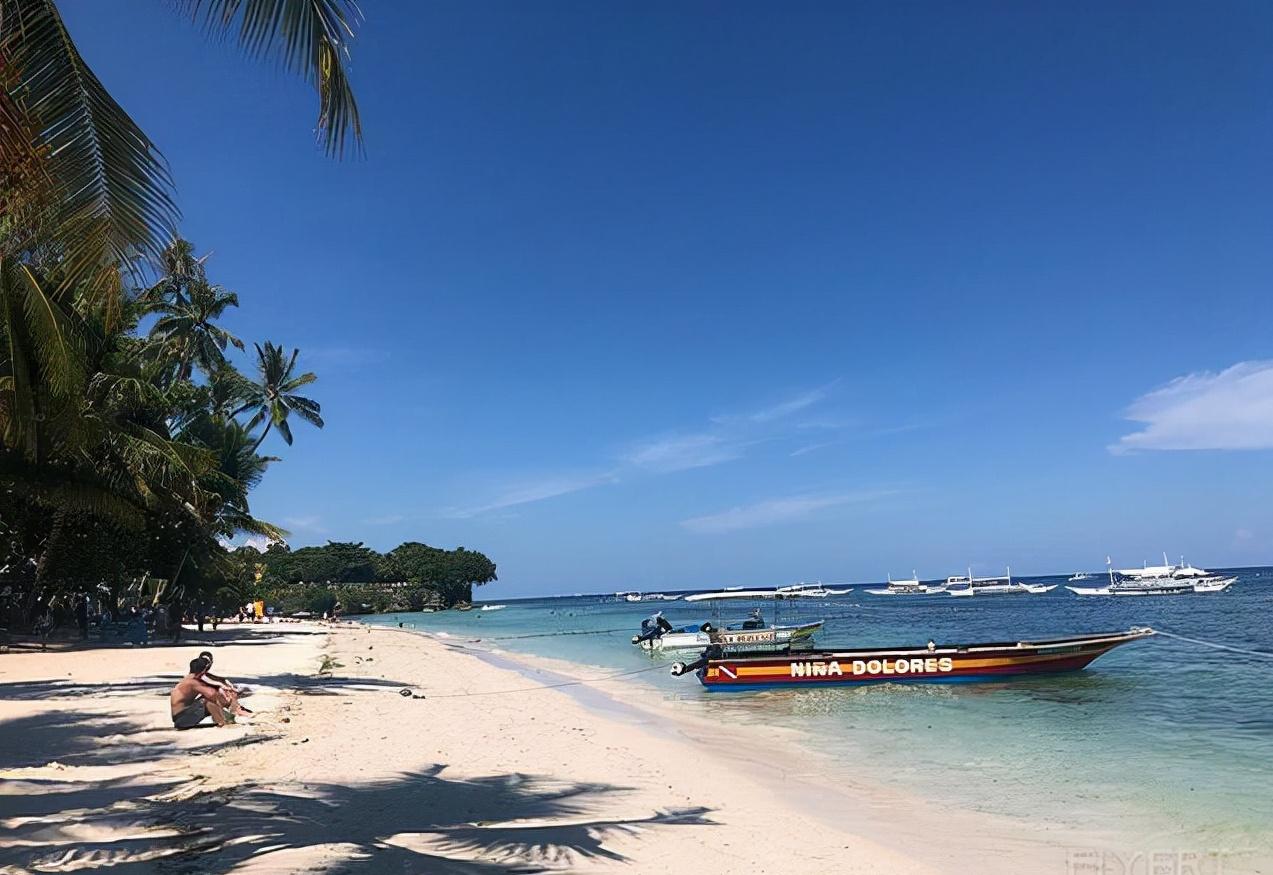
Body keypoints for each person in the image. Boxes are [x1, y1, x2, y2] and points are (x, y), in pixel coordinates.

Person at [170, 657, 231, 729]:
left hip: (180, 717)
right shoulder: (192, 682)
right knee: (208, 700)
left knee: (206, 699)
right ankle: (223, 722)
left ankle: (227, 718)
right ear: (203, 671)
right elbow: (212, 695)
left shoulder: (188, 679)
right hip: (181, 720)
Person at [197, 650, 252, 715]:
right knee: (223, 690)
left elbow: (214, 678)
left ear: (211, 662)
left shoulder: (203, 672)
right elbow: (207, 680)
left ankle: (236, 708)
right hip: (198, 703)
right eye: (204, 661)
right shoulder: (197, 673)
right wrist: (225, 686)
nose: (207, 664)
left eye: (208, 662)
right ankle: (236, 709)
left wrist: (225, 681)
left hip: (204, 700)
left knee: (225, 689)